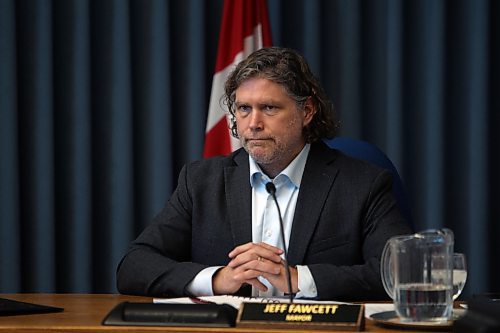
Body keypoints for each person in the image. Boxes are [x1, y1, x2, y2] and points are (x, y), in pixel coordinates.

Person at [116, 47, 412, 301]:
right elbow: (134, 266)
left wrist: (300, 279)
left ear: (307, 112)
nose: (253, 123)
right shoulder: (200, 181)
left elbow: (401, 274)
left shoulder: (363, 183)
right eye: (244, 108)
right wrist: (218, 279)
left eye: (269, 108)